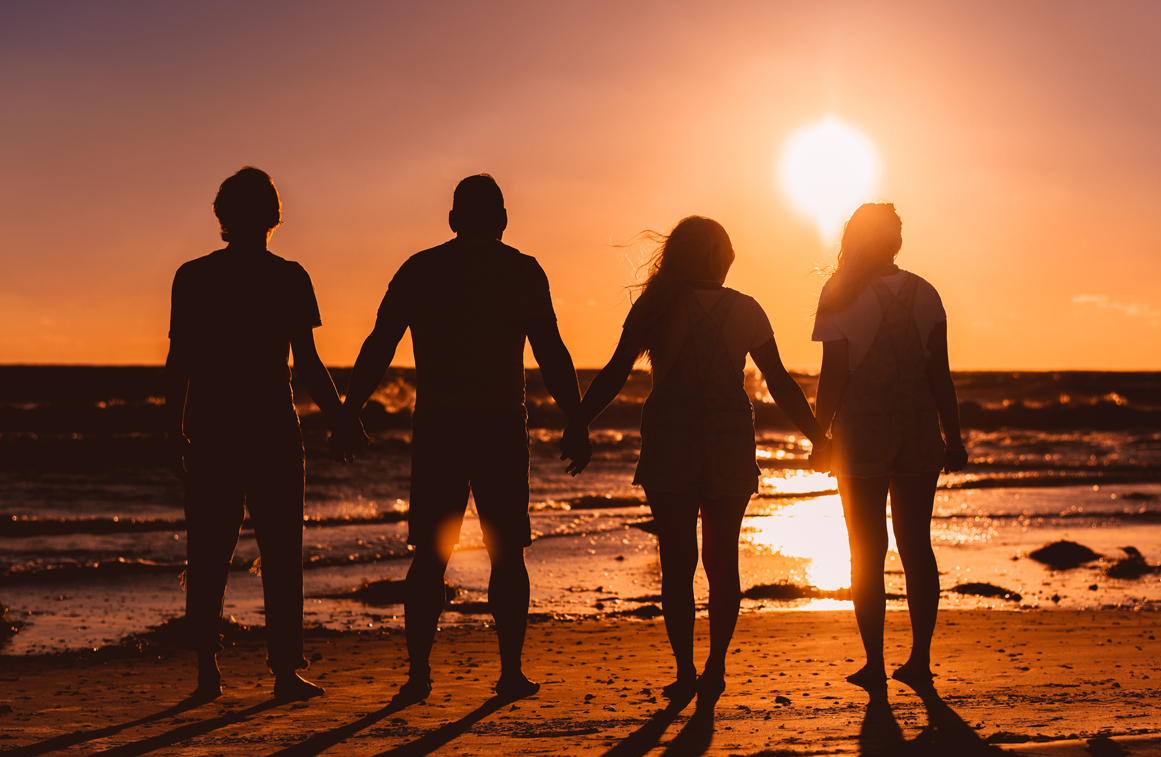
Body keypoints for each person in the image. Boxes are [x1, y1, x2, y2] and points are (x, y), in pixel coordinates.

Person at [335, 174, 588, 704]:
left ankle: (419, 674)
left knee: (430, 553)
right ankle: (510, 672)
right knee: (506, 552)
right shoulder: (521, 270)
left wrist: (350, 409)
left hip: (439, 426)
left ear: (453, 220)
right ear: (501, 220)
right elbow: (551, 351)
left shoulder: (421, 268)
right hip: (499, 424)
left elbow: (379, 343)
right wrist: (576, 418)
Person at [565, 216, 827, 702]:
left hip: (671, 438)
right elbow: (780, 383)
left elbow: (616, 371)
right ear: (720, 258)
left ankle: (685, 671)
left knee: (678, 563)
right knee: (722, 561)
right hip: (728, 439)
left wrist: (579, 422)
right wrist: (817, 436)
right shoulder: (745, 309)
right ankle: (715, 669)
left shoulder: (657, 306)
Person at [166, 167, 344, 701]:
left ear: (224, 216)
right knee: (281, 552)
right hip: (270, 429)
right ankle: (283, 671)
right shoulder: (289, 276)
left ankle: (208, 673)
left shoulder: (194, 276)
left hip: (218, 429)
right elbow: (308, 365)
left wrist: (171, 429)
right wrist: (339, 415)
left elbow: (180, 363)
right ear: (273, 215)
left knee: (209, 551)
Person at [811, 202, 968, 693]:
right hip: (919, 428)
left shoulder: (840, 294)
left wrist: (820, 436)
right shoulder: (927, 294)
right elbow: (939, 375)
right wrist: (954, 436)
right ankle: (919, 660)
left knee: (866, 549)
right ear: (897, 242)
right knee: (916, 546)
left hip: (863, 431)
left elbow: (834, 375)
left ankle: (874, 663)